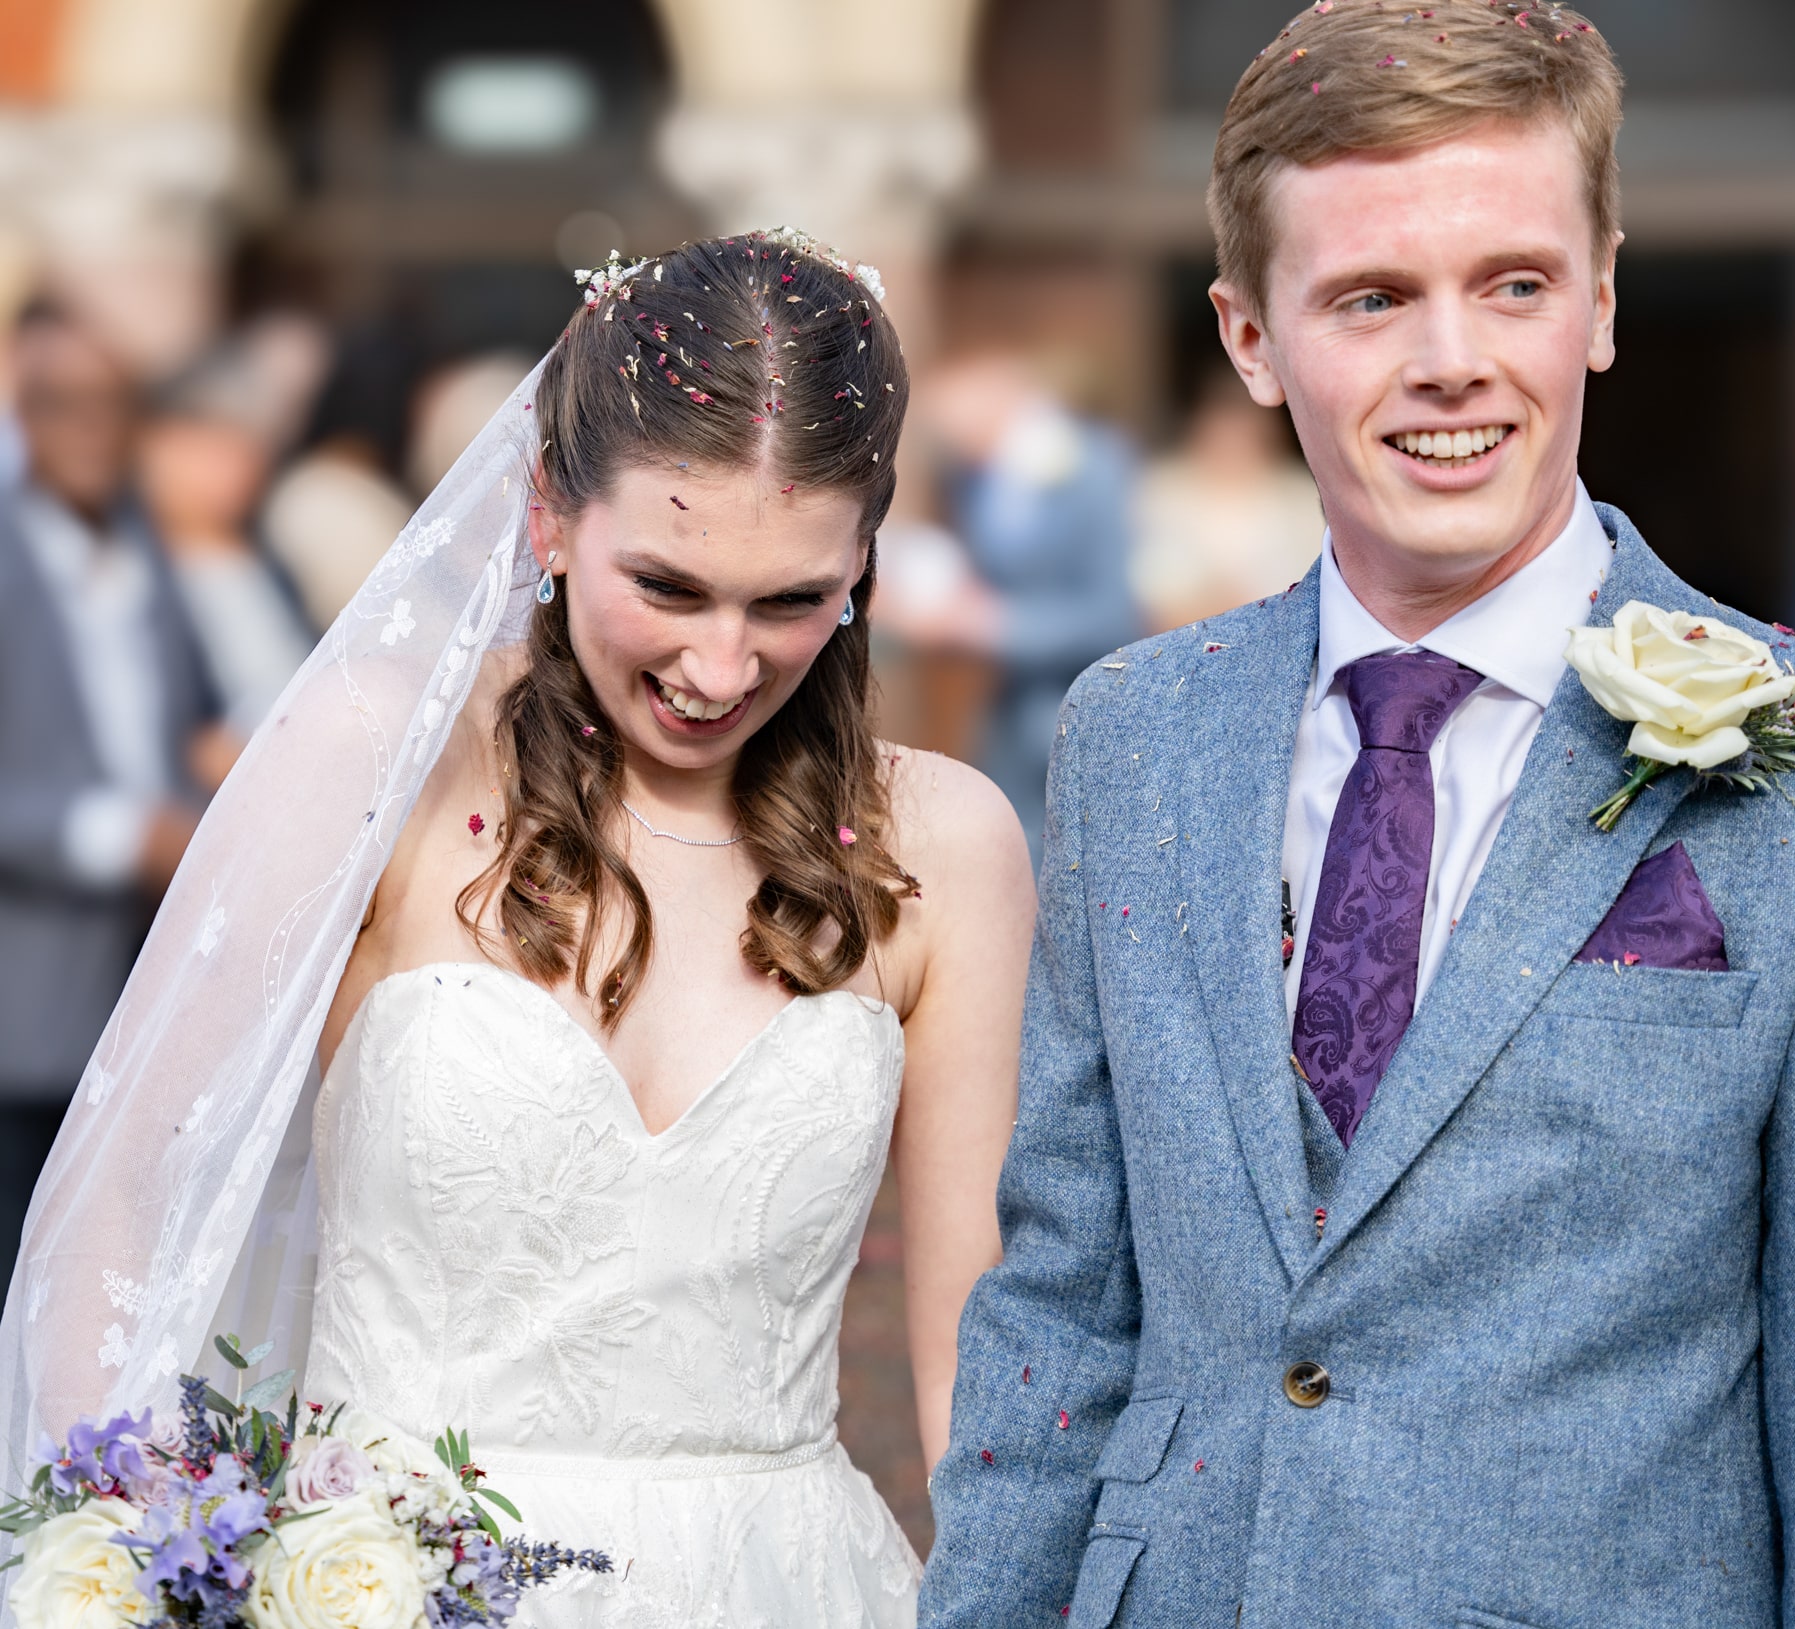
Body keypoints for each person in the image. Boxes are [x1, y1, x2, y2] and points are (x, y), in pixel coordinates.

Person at [919, 6, 1795, 1627]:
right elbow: (1063, 1313)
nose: (1450, 357)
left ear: (1597, 294)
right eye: (1369, 297)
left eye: (1509, 281)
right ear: (1246, 338)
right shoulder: (1132, 738)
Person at [1, 235, 1034, 1627]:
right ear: (548, 512)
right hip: (379, 1584)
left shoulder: (949, 848)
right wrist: (114, 1554)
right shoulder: (377, 766)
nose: (720, 668)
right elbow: (133, 1200)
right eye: (666, 585)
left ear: (863, 557)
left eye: (790, 600)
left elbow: (985, 1351)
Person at [0, 304, 220, 1310]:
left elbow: (189, 721)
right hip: (26, 1003)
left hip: (146, 993)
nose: (88, 430)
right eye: (62, 407)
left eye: (109, 407)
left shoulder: (144, 554)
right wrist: (118, 835)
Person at [902, 351, 1141, 858]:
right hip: (1004, 720)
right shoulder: (969, 478)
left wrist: (994, 625)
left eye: (957, 421)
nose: (950, 439)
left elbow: (1113, 613)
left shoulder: (1094, 467)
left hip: (1087, 715)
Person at [137, 382, 314, 735]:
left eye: (247, 454)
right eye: (213, 453)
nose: (236, 471)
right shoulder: (140, 571)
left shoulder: (269, 563)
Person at [1131, 366, 1325, 632]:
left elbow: (1312, 589)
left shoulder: (1300, 498)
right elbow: (1145, 588)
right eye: (1223, 429)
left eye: (1244, 430)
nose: (1232, 442)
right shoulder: (1164, 490)